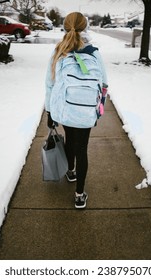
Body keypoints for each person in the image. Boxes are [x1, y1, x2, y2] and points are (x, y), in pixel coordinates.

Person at [45, 12, 108, 209]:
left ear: (64, 27)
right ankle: (80, 195)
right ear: (86, 27)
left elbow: (50, 85)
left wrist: (49, 112)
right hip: (87, 110)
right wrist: (99, 109)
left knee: (70, 138)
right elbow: (104, 84)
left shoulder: (59, 51)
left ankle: (70, 171)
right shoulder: (94, 53)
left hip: (66, 108)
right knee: (82, 148)